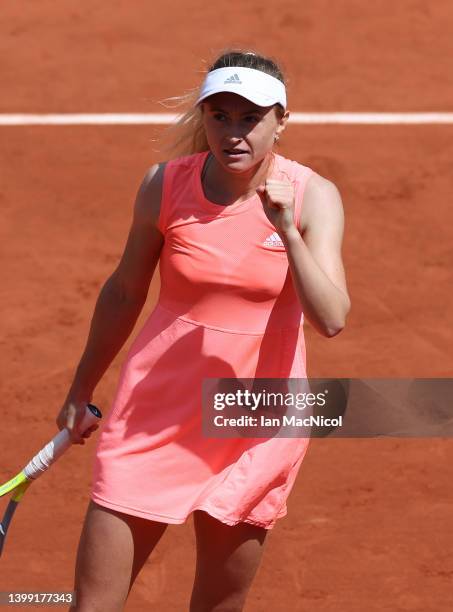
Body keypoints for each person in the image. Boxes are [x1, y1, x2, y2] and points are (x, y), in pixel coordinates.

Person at [57, 49, 351, 612]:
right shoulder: (164, 186)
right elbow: (124, 292)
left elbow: (332, 317)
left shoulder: (315, 197)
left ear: (281, 121)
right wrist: (79, 390)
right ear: (204, 117)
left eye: (250, 118)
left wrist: (287, 231)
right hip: (156, 410)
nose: (233, 133)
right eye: (220, 116)